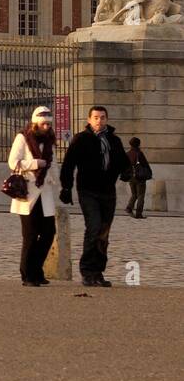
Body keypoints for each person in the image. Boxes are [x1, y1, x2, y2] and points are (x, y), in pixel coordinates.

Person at [59, 105, 130, 288]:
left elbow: (123, 161)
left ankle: (98, 271)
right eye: (96, 117)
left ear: (107, 119)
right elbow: (69, 164)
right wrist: (66, 187)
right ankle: (87, 271)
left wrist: (126, 172)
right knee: (94, 227)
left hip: (108, 191)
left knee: (104, 233)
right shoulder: (81, 139)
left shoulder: (114, 140)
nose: (99, 121)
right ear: (89, 120)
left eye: (103, 117)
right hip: (88, 190)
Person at [8, 107, 59, 287]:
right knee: (30, 235)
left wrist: (55, 179)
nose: (46, 126)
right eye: (43, 123)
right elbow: (13, 162)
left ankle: (37, 270)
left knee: (48, 233)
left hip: (44, 192)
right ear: (35, 123)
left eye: (49, 123)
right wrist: (35, 163)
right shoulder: (23, 137)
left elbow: (53, 163)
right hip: (27, 192)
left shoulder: (51, 140)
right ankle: (27, 273)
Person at [125, 137, 151, 220]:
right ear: (138, 144)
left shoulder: (128, 153)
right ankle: (139, 213)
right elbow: (145, 164)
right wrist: (149, 173)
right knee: (141, 195)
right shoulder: (139, 153)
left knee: (134, 194)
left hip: (131, 177)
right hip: (139, 177)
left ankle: (129, 208)